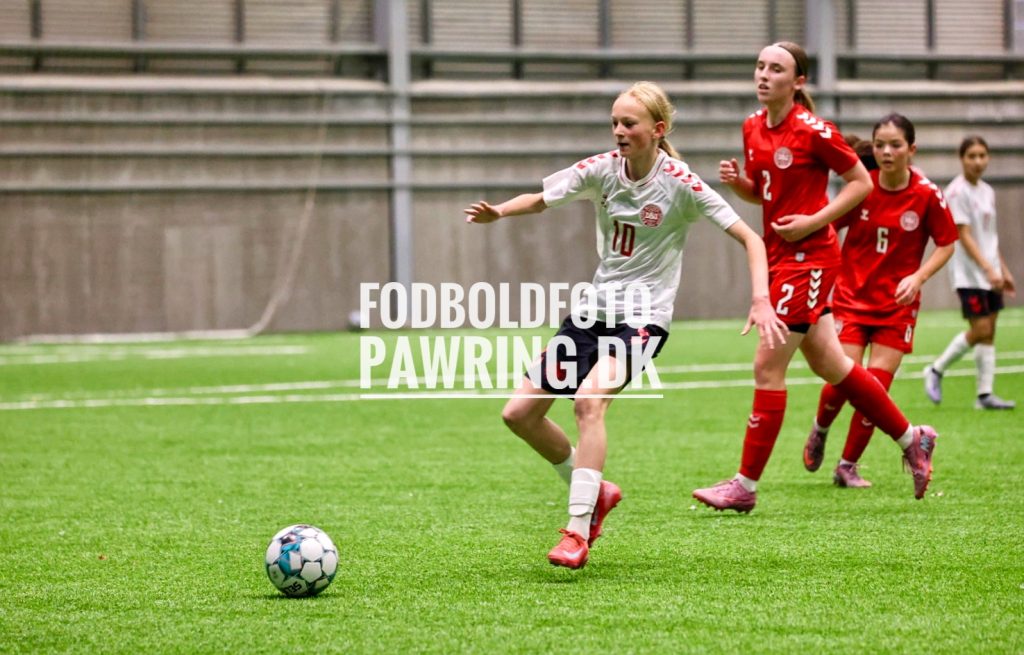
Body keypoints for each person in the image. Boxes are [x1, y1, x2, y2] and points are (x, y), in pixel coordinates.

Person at [463, 81, 788, 569]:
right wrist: (500, 212)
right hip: (593, 314)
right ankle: (596, 490)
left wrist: (761, 298)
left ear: (657, 130)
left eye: (629, 123)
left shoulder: (680, 182)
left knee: (589, 403)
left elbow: (751, 237)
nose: (618, 130)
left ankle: (576, 531)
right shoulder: (602, 169)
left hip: (642, 320)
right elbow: (542, 198)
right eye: (614, 122)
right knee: (519, 414)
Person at [692, 42, 939, 513]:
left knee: (767, 367)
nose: (764, 75)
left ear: (798, 81)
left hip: (810, 258)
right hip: (780, 255)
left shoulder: (814, 130)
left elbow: (860, 183)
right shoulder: (752, 125)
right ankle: (913, 438)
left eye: (776, 69)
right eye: (760, 66)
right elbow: (765, 194)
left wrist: (814, 221)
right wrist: (740, 184)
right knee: (833, 365)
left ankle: (744, 485)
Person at [802, 113, 958, 488]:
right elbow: (825, 226)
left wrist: (918, 277)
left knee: (876, 388)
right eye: (880, 145)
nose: (886, 152)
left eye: (895, 145)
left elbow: (947, 243)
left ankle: (847, 466)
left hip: (896, 308)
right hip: (851, 300)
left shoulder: (926, 194)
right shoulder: (861, 188)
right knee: (844, 378)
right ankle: (820, 428)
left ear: (912, 150)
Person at [924, 136, 1016, 409]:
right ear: (961, 158)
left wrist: (1003, 269)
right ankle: (936, 369)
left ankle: (984, 395)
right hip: (969, 274)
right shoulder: (956, 192)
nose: (978, 161)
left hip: (991, 271)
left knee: (990, 331)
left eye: (982, 156)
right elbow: (963, 235)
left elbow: (989, 236)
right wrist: (988, 269)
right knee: (981, 328)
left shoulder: (987, 191)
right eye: (972, 156)